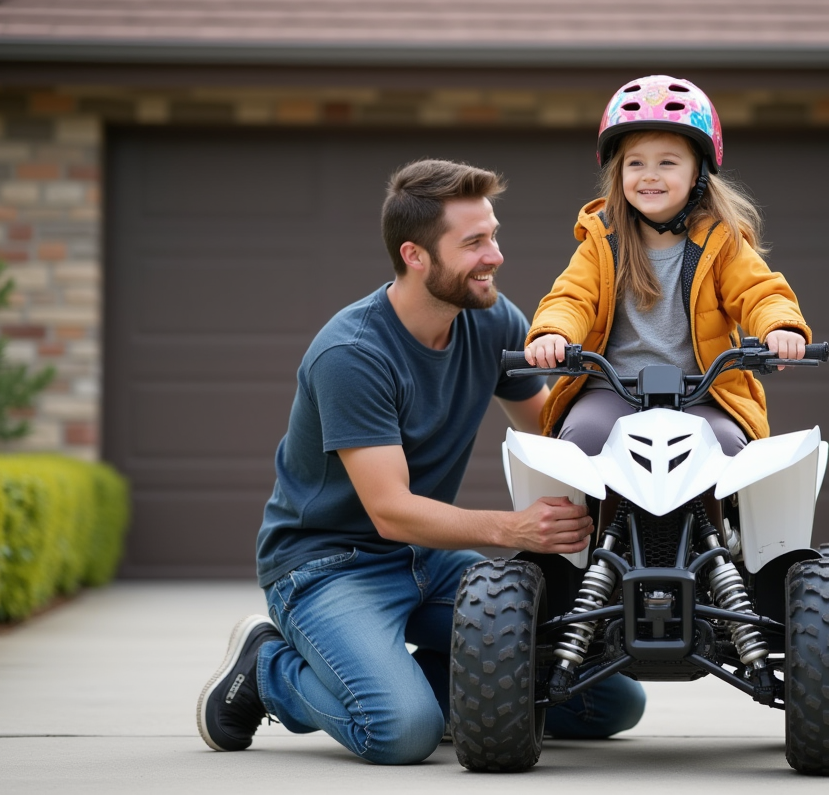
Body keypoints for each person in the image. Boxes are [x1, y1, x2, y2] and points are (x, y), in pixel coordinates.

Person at [197, 159, 645, 764]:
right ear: (415, 255)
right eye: (474, 243)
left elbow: (550, 435)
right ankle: (269, 667)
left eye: (493, 235)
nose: (496, 255)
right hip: (328, 567)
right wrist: (512, 529)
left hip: (426, 561)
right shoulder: (353, 354)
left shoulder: (489, 321)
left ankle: (415, 678)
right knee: (402, 731)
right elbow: (390, 511)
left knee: (605, 697)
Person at [525, 75, 811, 453]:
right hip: (611, 390)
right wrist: (554, 334)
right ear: (619, 172)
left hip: (703, 393)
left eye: (667, 162)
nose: (649, 175)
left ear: (698, 173)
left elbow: (759, 291)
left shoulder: (721, 242)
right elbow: (572, 298)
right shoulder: (601, 241)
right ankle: (571, 516)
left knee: (728, 447)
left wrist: (780, 327)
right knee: (580, 439)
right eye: (636, 162)